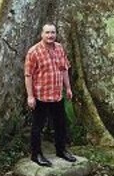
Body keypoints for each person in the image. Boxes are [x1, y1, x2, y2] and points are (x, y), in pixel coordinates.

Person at [25, 23, 77, 167]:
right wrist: (30, 96)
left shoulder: (59, 48)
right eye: (47, 32)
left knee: (60, 125)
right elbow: (28, 75)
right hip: (41, 96)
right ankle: (36, 155)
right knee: (38, 127)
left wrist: (68, 88)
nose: (50, 35)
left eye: (53, 32)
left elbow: (64, 68)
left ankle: (61, 150)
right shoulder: (33, 52)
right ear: (42, 34)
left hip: (56, 95)